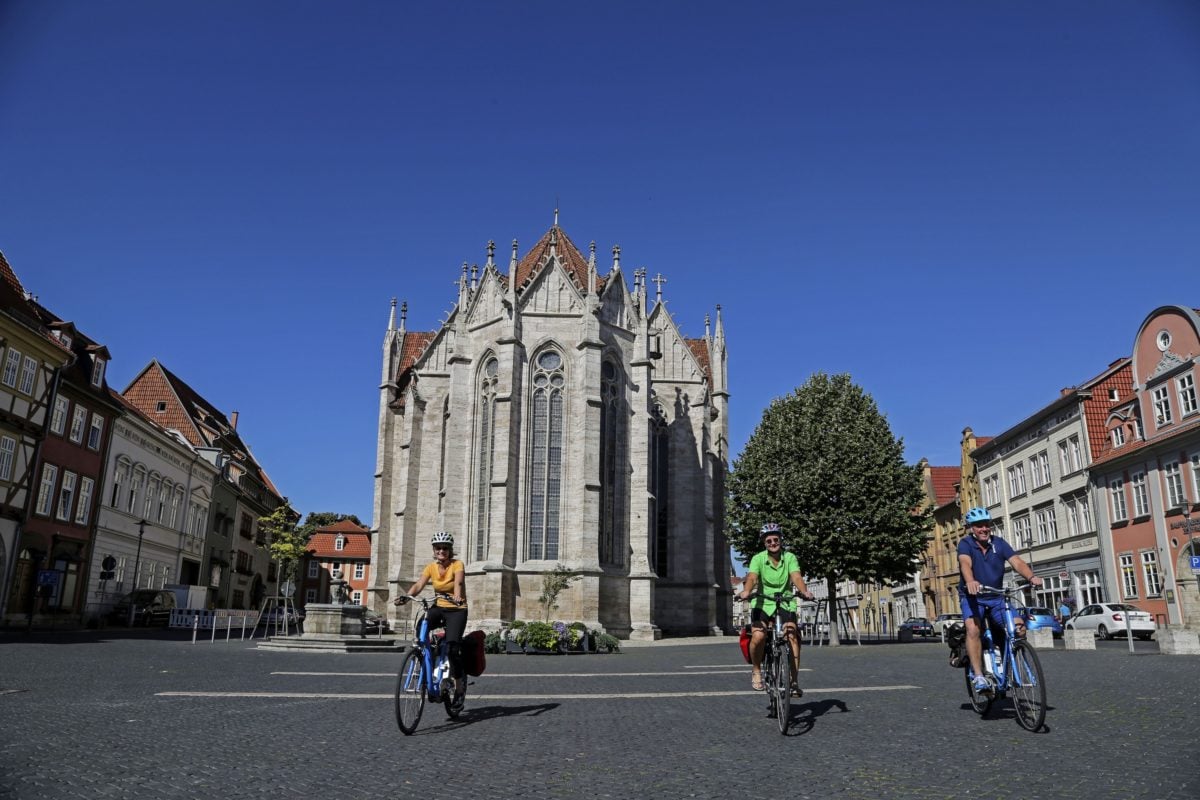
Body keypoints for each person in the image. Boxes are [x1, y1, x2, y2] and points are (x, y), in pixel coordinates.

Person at [957, 507, 1042, 694]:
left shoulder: (999, 543)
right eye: (979, 526)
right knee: (973, 629)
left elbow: (1017, 562)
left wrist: (1030, 577)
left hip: (996, 596)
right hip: (973, 597)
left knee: (1019, 627)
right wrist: (970, 581)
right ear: (972, 528)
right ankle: (979, 675)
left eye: (986, 525)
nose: (984, 529)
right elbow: (965, 563)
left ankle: (1008, 664)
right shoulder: (965, 544)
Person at [737, 522, 815, 695]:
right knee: (758, 635)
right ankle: (757, 670)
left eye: (775, 539)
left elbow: (796, 576)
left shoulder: (790, 557)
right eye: (769, 540)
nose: (773, 543)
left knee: (792, 635)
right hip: (763, 603)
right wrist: (747, 591)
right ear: (764, 543)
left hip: (785, 601)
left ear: (780, 540)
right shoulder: (758, 559)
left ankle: (793, 681)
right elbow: (752, 577)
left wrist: (804, 591)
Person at [394, 531, 468, 699]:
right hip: (440, 606)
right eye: (438, 548)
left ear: (450, 550)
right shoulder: (431, 567)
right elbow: (419, 584)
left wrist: (457, 595)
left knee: (453, 649)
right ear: (434, 550)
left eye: (444, 548)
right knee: (422, 625)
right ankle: (428, 654)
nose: (441, 551)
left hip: (457, 609)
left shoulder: (457, 565)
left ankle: (458, 688)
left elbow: (459, 582)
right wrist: (406, 596)